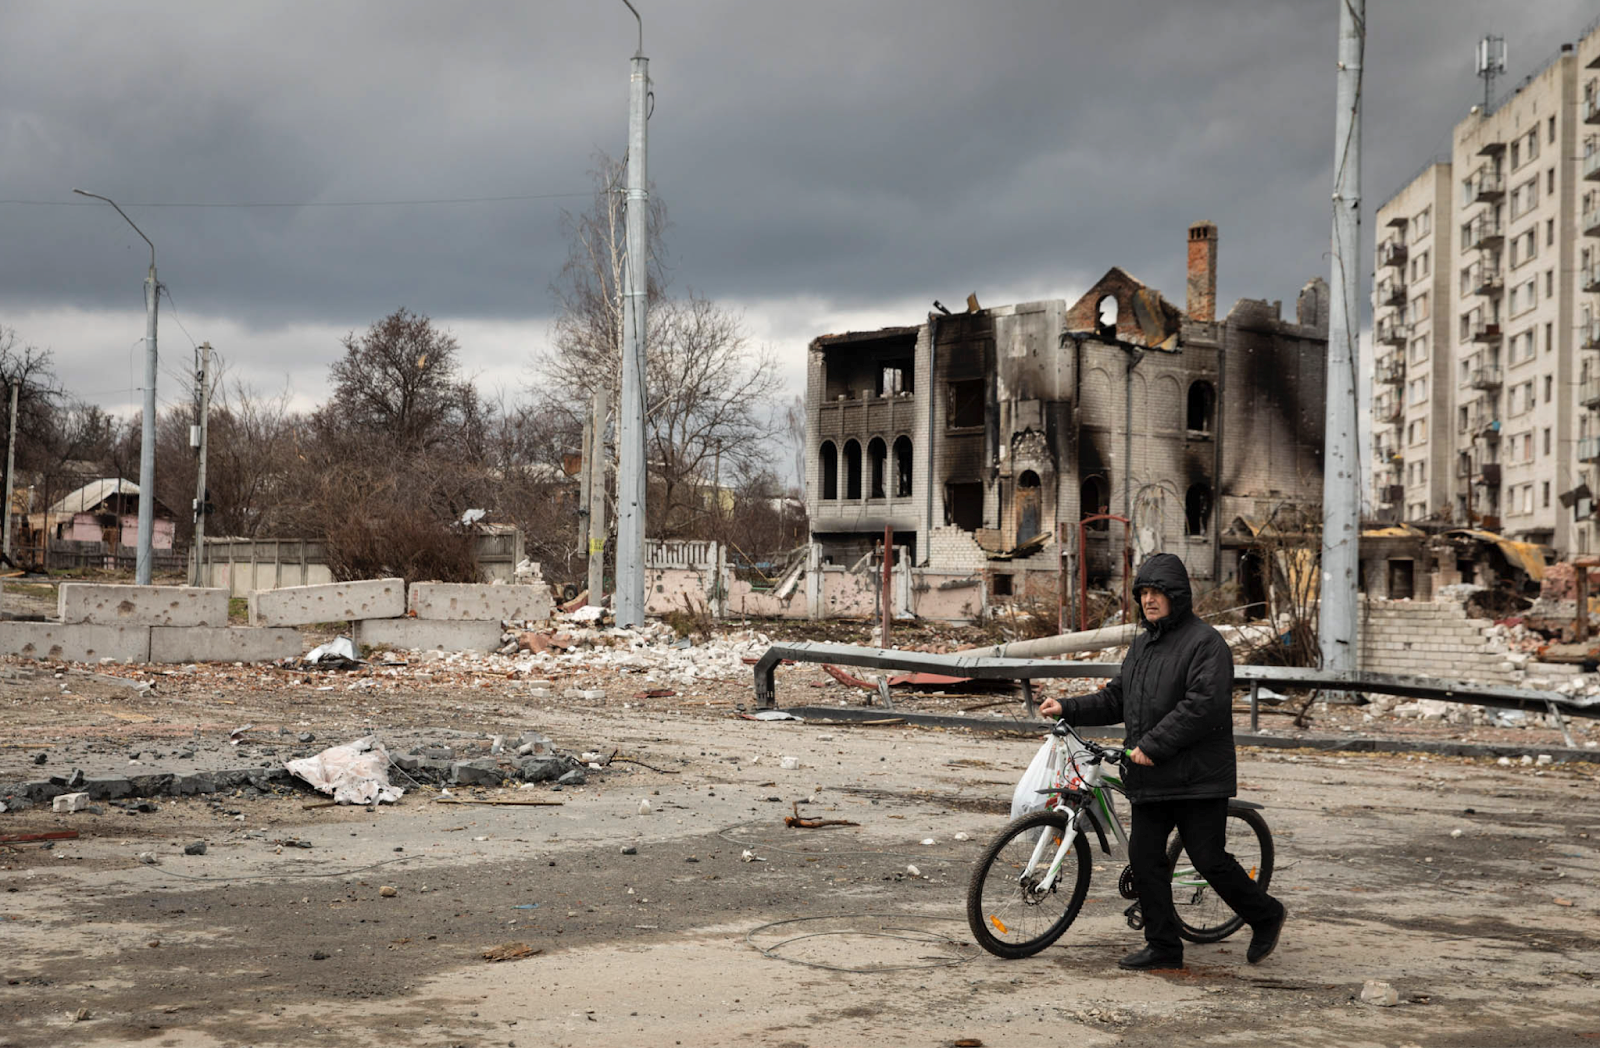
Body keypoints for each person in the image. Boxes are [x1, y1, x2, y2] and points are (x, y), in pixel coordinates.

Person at [1038, 551, 1285, 971]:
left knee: (1209, 859)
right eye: (1144, 593)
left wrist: (1153, 745)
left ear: (1178, 596)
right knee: (1146, 860)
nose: (1149, 600)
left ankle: (1266, 914)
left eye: (1158, 592)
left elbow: (1201, 707)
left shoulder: (1206, 644)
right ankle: (1164, 947)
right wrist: (1068, 707)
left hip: (1198, 778)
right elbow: (1118, 699)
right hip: (1150, 777)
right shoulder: (1143, 645)